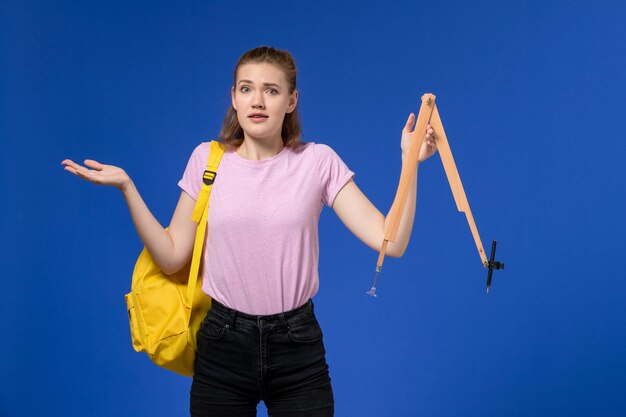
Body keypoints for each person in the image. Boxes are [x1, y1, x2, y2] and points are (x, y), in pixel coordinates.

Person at [62, 46, 437, 417]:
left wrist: (409, 163)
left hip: (297, 344)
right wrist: (128, 187)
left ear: (291, 101)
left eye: (271, 91)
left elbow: (392, 241)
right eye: (246, 88)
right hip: (222, 341)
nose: (257, 101)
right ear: (234, 97)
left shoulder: (317, 162)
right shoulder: (207, 161)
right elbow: (172, 254)